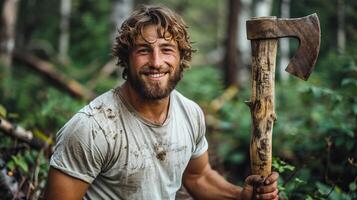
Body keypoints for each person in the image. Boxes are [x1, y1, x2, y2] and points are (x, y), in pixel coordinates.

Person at [44, 5, 279, 200]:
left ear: (181, 57)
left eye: (166, 49)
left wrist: (240, 196)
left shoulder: (190, 113)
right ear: (126, 58)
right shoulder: (92, 128)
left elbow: (198, 177)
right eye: (144, 50)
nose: (156, 62)